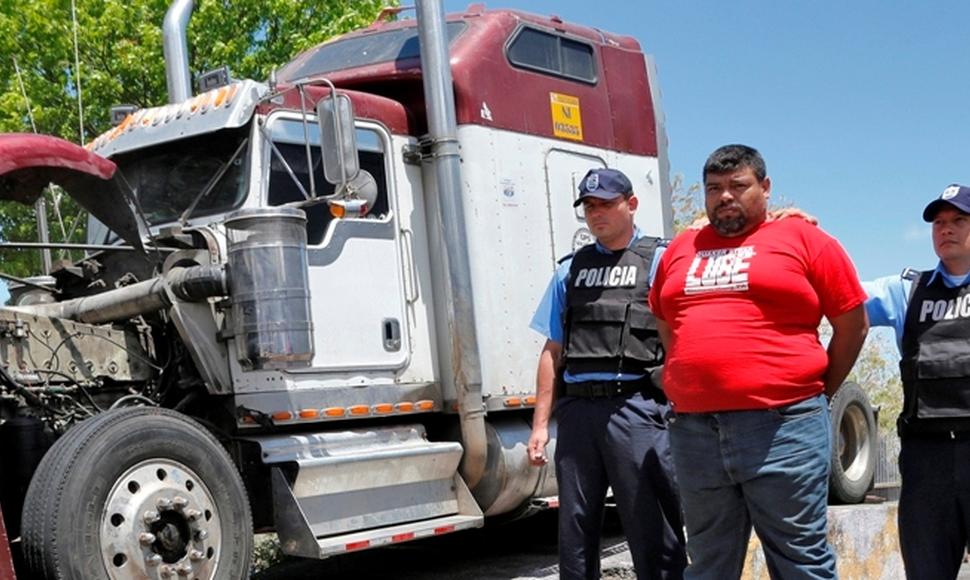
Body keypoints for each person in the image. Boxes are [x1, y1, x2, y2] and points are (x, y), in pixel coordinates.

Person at [648, 144, 868, 579]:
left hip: (784, 428)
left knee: (800, 562)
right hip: (695, 433)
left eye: (738, 186)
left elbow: (852, 326)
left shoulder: (805, 239)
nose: (724, 196)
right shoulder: (681, 247)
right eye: (714, 188)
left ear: (765, 189)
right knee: (708, 564)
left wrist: (815, 391)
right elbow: (665, 320)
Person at [527, 167, 687, 580]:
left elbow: (682, 335)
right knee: (575, 531)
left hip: (635, 408)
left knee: (651, 525)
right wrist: (540, 426)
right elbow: (552, 350)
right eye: (589, 206)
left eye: (606, 204)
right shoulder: (570, 270)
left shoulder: (660, 260)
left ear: (631, 205)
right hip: (579, 412)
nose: (596, 214)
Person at [864, 183, 970, 580]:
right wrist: (795, 239)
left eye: (959, 219)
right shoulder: (905, 291)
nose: (946, 229)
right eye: (939, 222)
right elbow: (838, 295)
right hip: (928, 460)